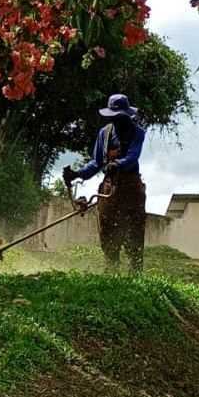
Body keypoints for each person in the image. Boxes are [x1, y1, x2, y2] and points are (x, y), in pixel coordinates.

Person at [62, 94, 147, 272]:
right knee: (107, 231)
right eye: (113, 116)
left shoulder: (138, 132)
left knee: (134, 232)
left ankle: (135, 269)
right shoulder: (104, 133)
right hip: (109, 189)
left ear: (127, 115)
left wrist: (118, 164)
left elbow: (133, 156)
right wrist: (77, 174)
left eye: (120, 116)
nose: (116, 120)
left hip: (131, 187)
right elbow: (96, 162)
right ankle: (111, 268)